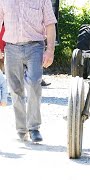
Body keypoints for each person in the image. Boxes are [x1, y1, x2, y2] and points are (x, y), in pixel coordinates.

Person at [0, 0, 57, 142]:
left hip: (35, 47)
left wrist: (50, 50)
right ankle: (21, 129)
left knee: (33, 84)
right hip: (11, 48)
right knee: (15, 89)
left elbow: (50, 24)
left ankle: (34, 128)